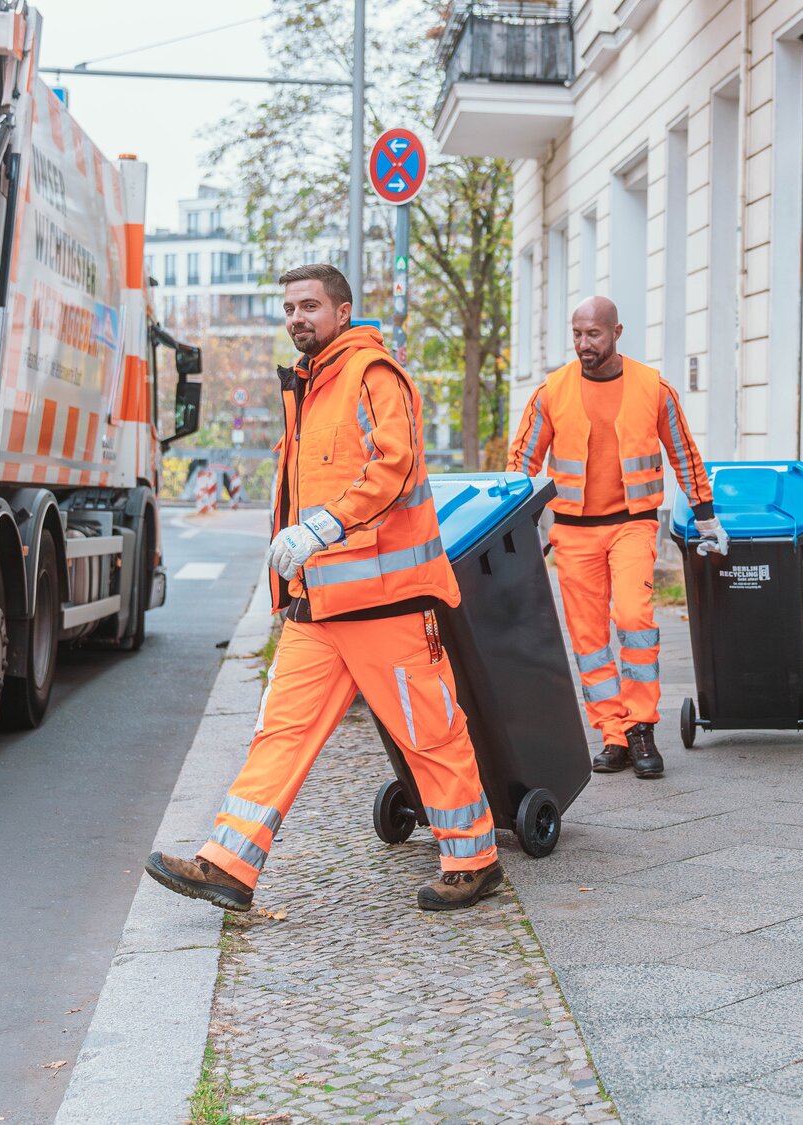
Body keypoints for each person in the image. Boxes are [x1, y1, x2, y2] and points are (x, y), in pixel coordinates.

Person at [147, 264, 503, 913]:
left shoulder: (372, 375)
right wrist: (292, 580)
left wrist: (324, 525)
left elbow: (394, 466)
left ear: (342, 312)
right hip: (322, 605)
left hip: (386, 601)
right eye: (288, 307)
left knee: (430, 732)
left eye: (309, 305)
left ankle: (473, 857)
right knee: (278, 732)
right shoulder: (309, 386)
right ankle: (228, 863)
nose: (296, 318)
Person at [508, 296, 728, 779]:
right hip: (573, 533)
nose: (584, 344)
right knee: (589, 639)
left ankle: (642, 726)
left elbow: (684, 453)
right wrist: (510, 524)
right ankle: (612, 733)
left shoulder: (654, 388)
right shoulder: (552, 392)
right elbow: (521, 464)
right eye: (578, 334)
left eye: (594, 335)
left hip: (632, 524)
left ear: (617, 332)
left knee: (634, 620)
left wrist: (707, 516)